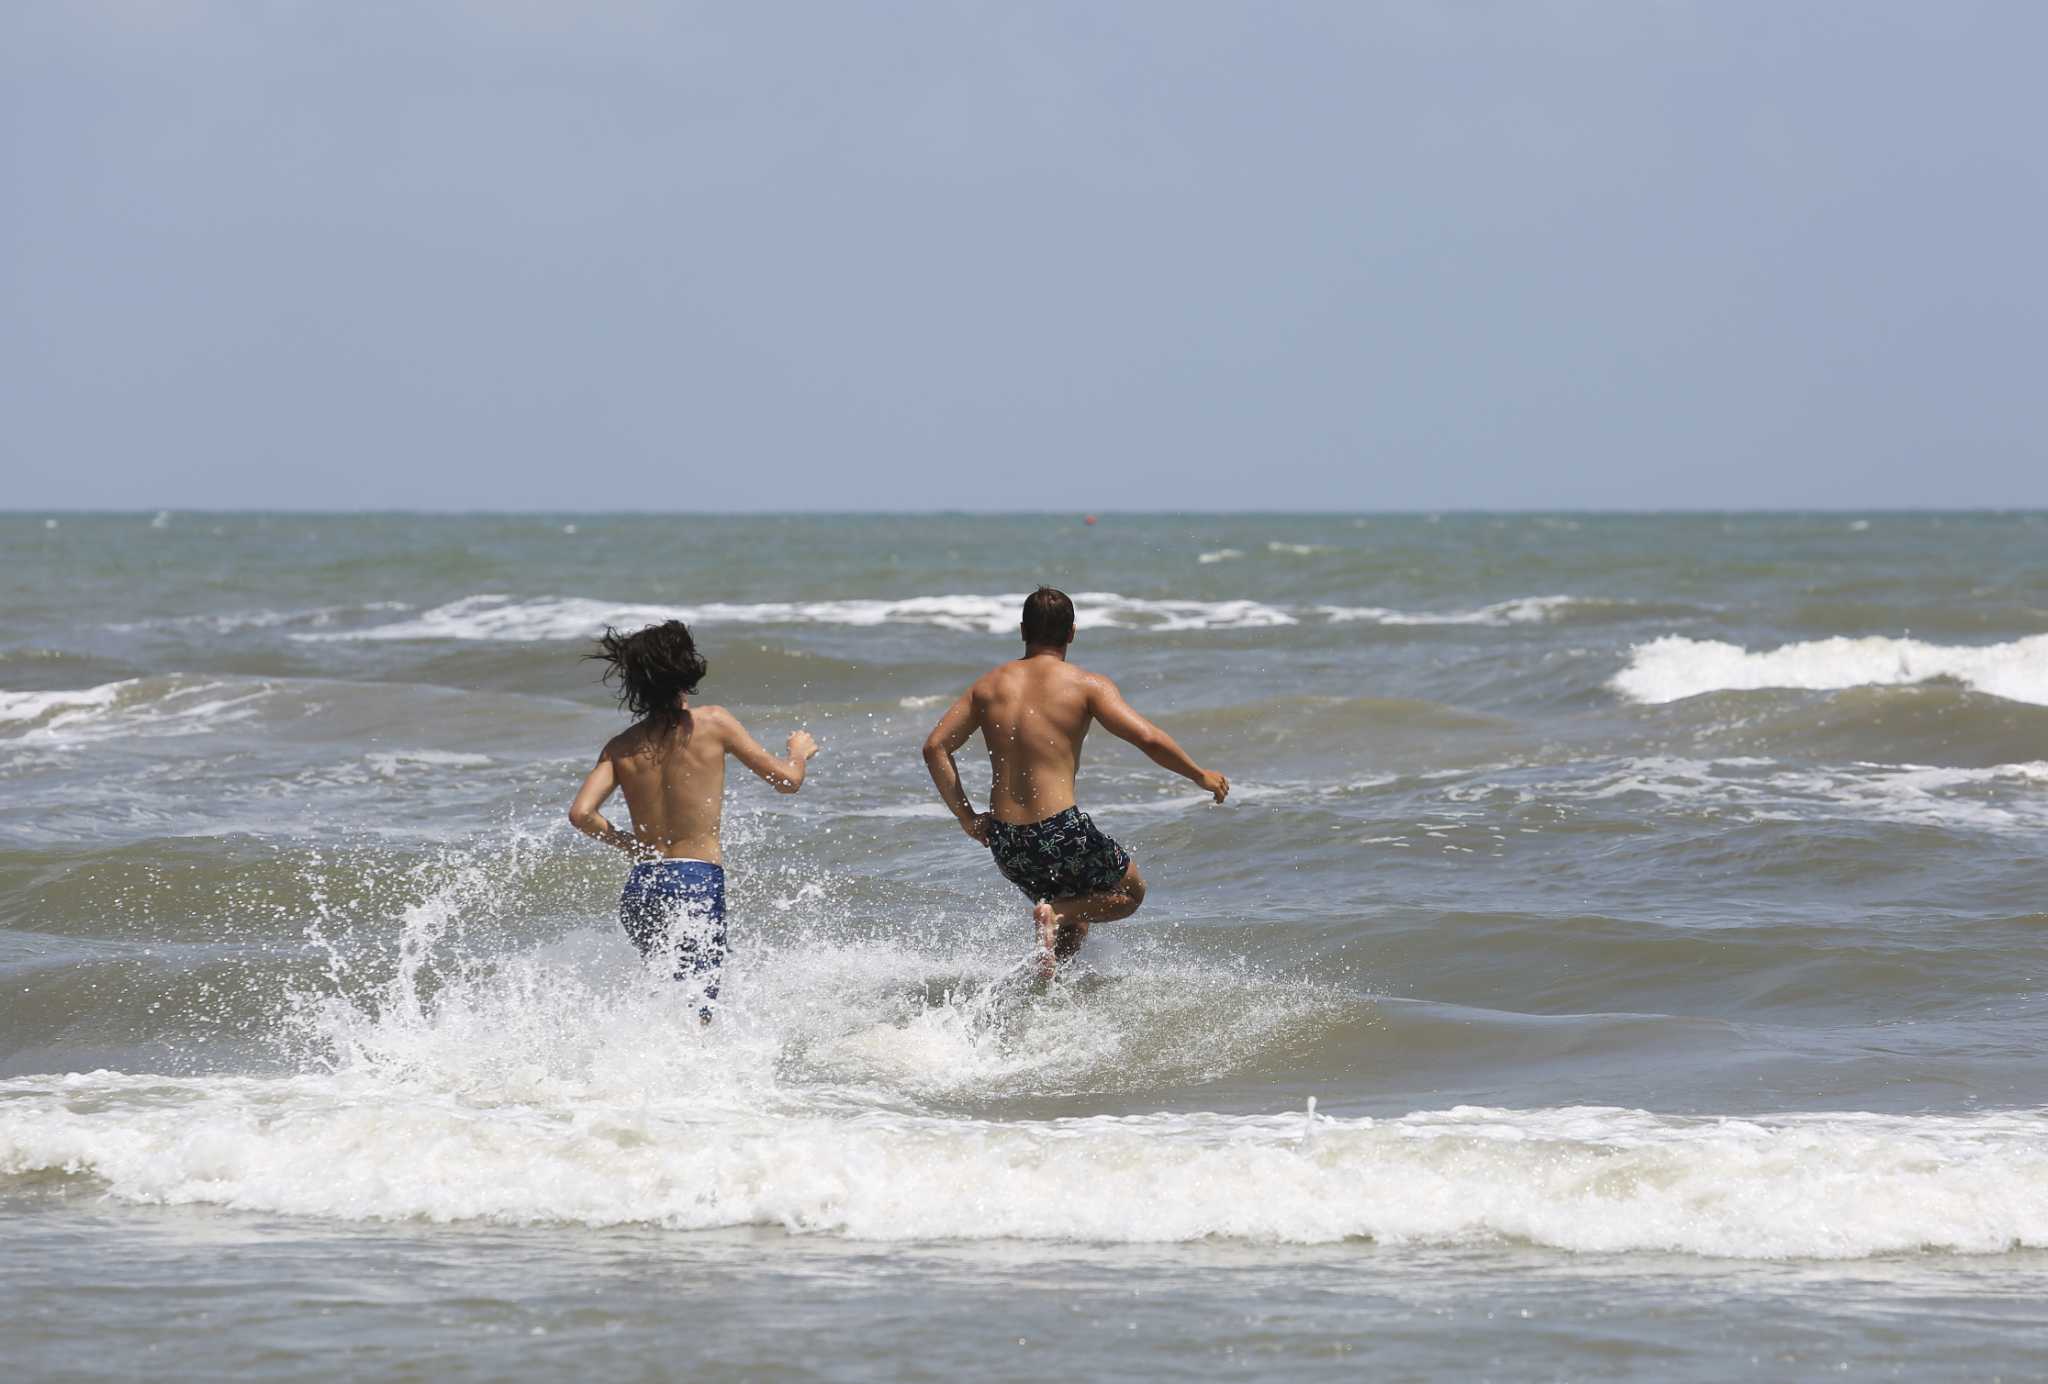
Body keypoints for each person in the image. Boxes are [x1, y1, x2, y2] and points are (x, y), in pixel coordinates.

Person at [922, 587, 1228, 976]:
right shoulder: (1086, 685)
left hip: (1007, 840)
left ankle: (1046, 997)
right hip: (1059, 830)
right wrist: (1200, 774)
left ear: (1022, 631)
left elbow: (935, 748)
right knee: (1128, 894)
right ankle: (1052, 915)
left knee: (1076, 919)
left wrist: (967, 818)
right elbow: (1147, 738)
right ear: (1072, 633)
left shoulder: (986, 687)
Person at [569, 620, 817, 1020]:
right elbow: (787, 782)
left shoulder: (620, 746)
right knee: (699, 1009)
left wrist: (632, 846)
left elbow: (581, 814)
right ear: (686, 670)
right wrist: (799, 751)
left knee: (668, 1000)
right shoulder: (714, 722)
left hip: (642, 886)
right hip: (694, 881)